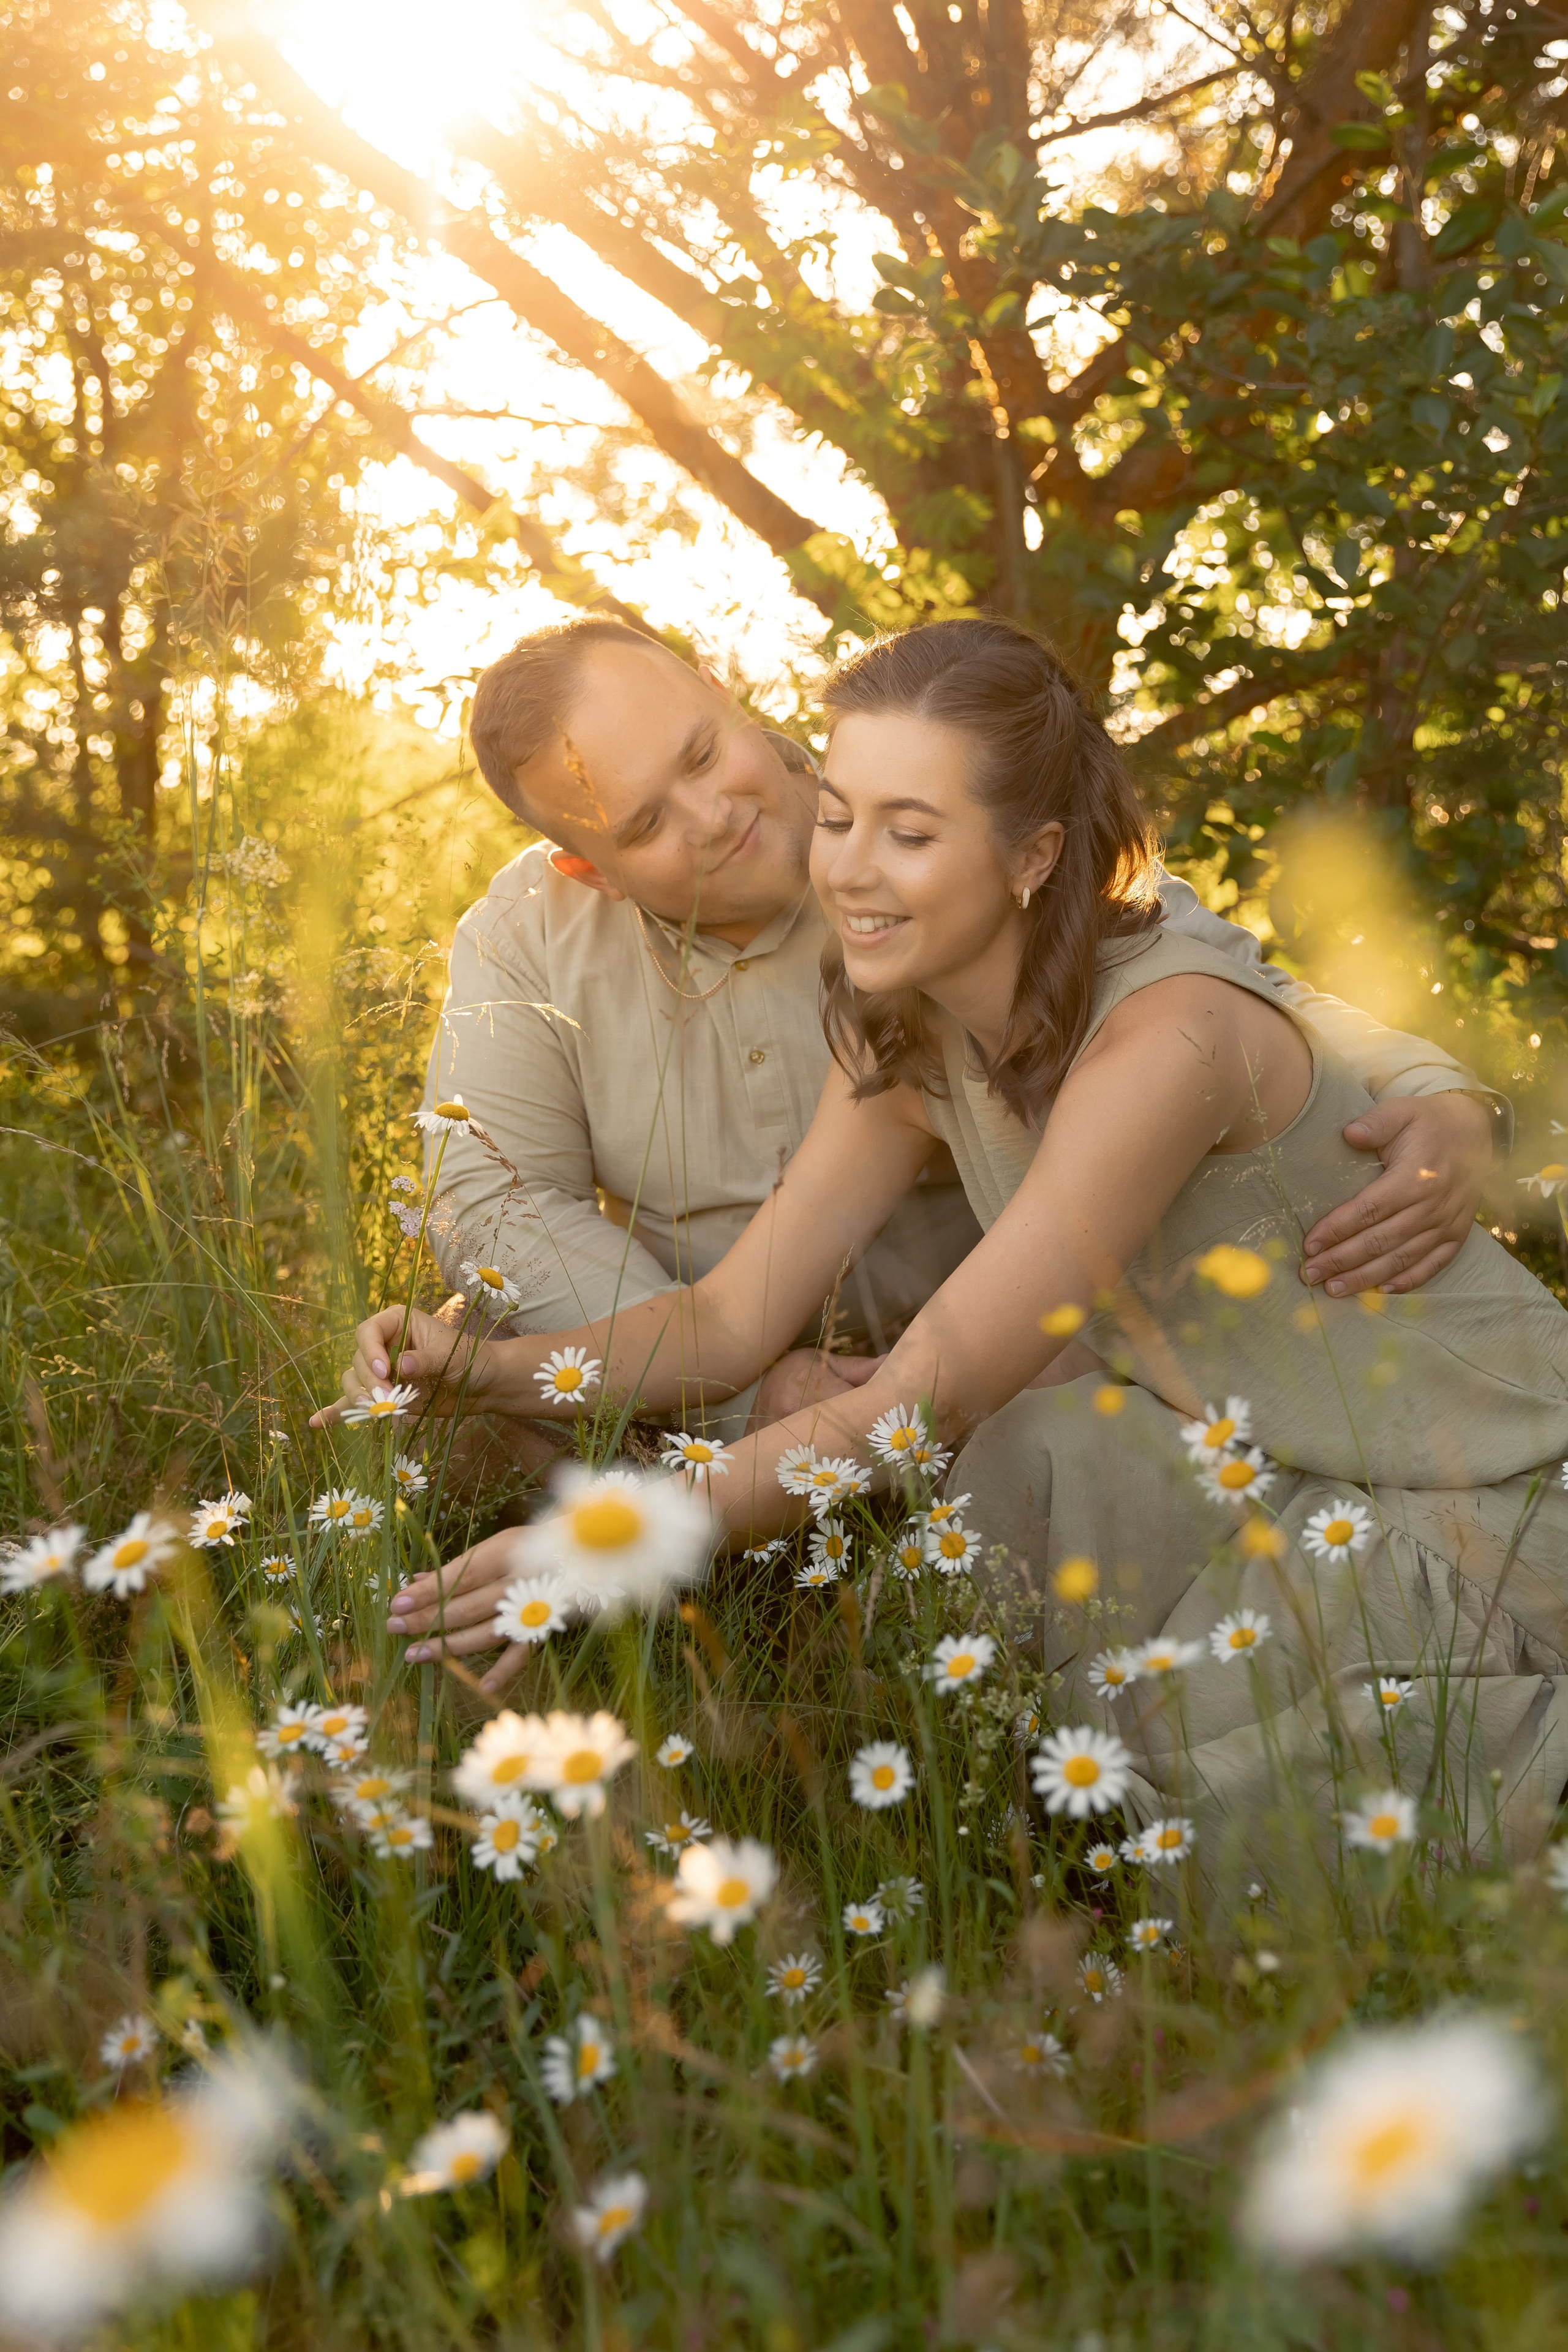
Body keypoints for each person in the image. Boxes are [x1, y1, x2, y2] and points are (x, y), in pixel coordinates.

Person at [325, 617, 1568, 1868]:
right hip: (1241, 1442)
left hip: (1469, 1497)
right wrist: (472, 1367)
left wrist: (607, 1538)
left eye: (907, 834)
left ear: (1032, 856)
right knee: (1020, 1544)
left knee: (1267, 1829)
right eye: (842, 821)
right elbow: (723, 1324)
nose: (847, 872)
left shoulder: (1164, 1038)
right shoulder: (897, 1029)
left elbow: (917, 1397)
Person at [421, 619, 1502, 1469]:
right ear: (590, 871)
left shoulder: (943, 820)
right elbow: (492, 1197)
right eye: (646, 824)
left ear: (721, 685)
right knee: (462, 1449)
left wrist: (1444, 1100)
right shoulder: (526, 940)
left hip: (1025, 1364)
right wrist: (743, 1396)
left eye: (704, 753)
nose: (712, 816)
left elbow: (1202, 981)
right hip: (716, 1374)